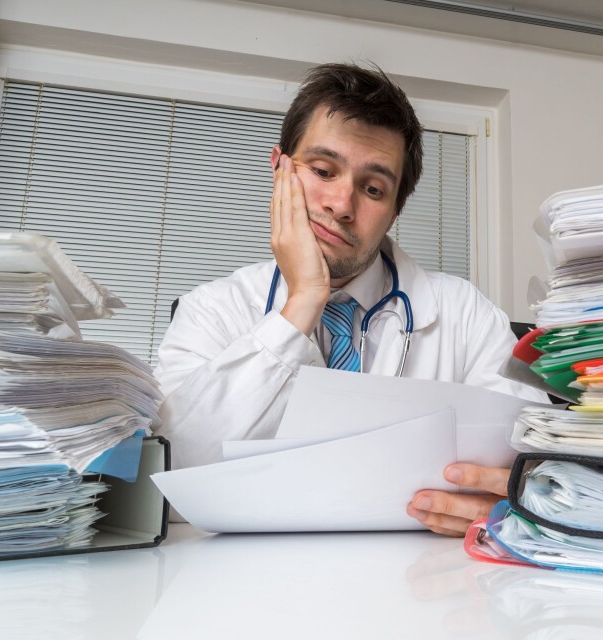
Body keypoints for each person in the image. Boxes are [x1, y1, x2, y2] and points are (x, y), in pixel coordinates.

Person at [153, 62, 546, 537]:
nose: (342, 204)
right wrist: (303, 301)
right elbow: (172, 479)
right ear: (280, 169)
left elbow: (534, 461)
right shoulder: (211, 309)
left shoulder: (465, 312)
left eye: (374, 188)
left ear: (394, 210)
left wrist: (509, 498)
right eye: (323, 170)